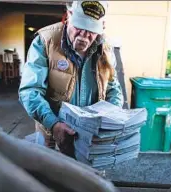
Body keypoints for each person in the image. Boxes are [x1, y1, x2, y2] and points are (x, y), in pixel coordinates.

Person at [18, 1, 124, 158]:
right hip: (51, 134)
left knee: (86, 179)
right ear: (68, 16)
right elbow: (30, 91)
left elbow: (113, 90)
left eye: (91, 31)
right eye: (79, 27)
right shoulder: (45, 41)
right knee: (49, 177)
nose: (84, 36)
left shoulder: (105, 49)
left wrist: (109, 121)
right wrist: (53, 124)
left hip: (91, 137)